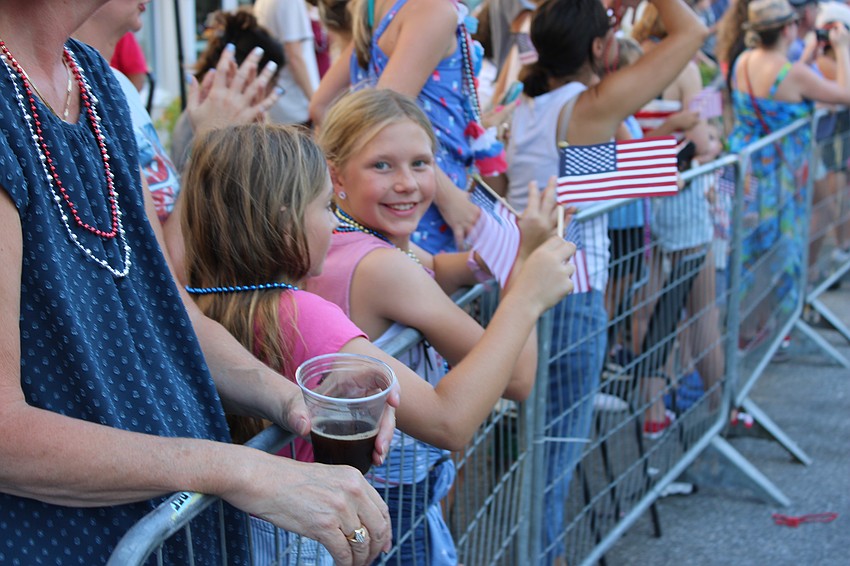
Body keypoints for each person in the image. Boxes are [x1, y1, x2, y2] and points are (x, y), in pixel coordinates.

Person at [0, 2, 397, 564]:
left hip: (170, 538)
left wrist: (301, 403)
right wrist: (241, 469)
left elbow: (169, 312)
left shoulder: (93, 82)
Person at [308, 88, 577, 563]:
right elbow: (517, 378)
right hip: (390, 493)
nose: (407, 183)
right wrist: (527, 274)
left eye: (420, 163)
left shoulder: (346, 239)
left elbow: (436, 266)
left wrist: (487, 259)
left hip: (363, 486)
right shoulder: (381, 267)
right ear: (336, 174)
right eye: (382, 166)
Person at [502, 0, 706, 563]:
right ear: (598, 47)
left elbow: (593, 179)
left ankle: (542, 552)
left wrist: (664, 146)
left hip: (537, 287)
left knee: (541, 451)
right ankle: (543, 556)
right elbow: (692, 31)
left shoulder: (534, 108)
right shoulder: (581, 107)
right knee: (554, 453)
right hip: (570, 293)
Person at [309, 0, 492, 255]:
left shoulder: (380, 10)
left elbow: (321, 105)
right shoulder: (431, 10)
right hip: (423, 211)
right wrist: (449, 199)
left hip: (398, 202)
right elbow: (383, 120)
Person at [729, 0, 850, 345]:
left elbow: (781, 86)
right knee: (778, 254)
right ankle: (774, 332)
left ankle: (746, 331)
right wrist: (842, 49)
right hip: (779, 179)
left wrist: (807, 58)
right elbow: (845, 94)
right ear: (788, 29)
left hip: (747, 172)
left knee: (748, 253)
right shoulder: (791, 72)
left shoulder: (744, 61)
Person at [254, 0, 322, 126]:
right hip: (295, 104)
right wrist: (316, 103)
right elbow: (294, 58)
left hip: (279, 103)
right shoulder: (290, 2)